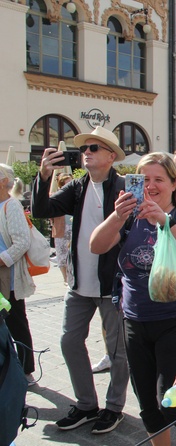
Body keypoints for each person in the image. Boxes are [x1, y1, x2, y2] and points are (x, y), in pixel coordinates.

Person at [90, 153, 176, 445]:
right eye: (144, 179)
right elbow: (96, 245)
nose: (151, 185)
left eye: (159, 179)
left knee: (172, 402)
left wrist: (165, 221)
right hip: (134, 318)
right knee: (147, 405)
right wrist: (117, 216)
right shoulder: (128, 215)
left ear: (174, 182)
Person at [31, 126, 130, 434]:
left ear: (111, 156)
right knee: (69, 340)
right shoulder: (76, 187)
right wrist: (44, 175)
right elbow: (41, 209)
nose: (87, 152)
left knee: (118, 351)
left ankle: (114, 408)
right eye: (85, 148)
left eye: (94, 148)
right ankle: (86, 404)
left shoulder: (125, 187)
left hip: (111, 283)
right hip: (78, 284)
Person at [0, 164, 37, 384]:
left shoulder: (11, 205)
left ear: (3, 181)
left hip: (9, 277)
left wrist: (1, 260)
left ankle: (26, 371)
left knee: (16, 323)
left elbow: (22, 242)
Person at [51, 173, 74, 283]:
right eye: (68, 183)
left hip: (73, 227)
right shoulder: (56, 197)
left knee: (73, 253)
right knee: (61, 253)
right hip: (61, 228)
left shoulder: (77, 196)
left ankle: (71, 277)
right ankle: (65, 278)